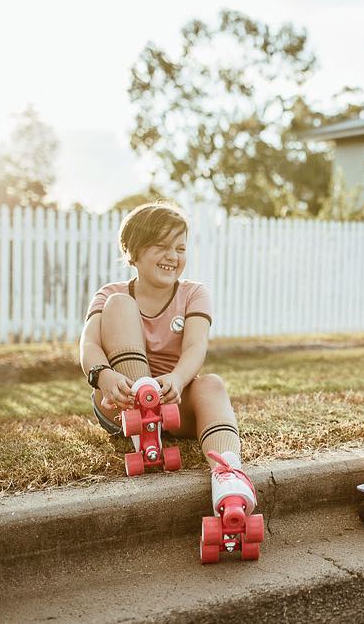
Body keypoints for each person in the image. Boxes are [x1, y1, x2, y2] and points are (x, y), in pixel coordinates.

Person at [78, 202, 256, 518]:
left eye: (180, 247)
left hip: (172, 398)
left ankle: (228, 474)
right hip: (121, 399)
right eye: (161, 246)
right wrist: (104, 376)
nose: (172, 256)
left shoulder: (193, 293)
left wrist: (176, 379)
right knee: (119, 305)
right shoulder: (111, 292)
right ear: (133, 251)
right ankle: (142, 429)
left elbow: (195, 348)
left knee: (212, 385)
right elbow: (88, 345)